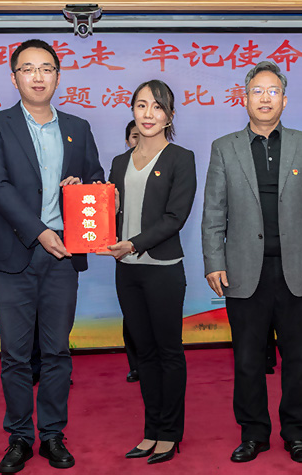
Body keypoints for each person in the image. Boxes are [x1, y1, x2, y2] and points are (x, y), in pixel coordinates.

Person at [0, 39, 104, 473]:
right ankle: (19, 436)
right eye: (28, 69)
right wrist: (39, 231)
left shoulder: (78, 127)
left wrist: (81, 187)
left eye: (46, 68)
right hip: (16, 253)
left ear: (57, 76)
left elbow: (96, 179)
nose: (38, 76)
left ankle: (52, 434)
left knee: (56, 352)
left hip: (63, 255)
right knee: (14, 354)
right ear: (14, 77)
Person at [201, 60, 302, 465]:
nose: (265, 98)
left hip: (297, 270)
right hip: (244, 271)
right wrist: (214, 261)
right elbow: (214, 211)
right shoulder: (224, 147)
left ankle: (296, 435)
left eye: (272, 91)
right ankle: (253, 434)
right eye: (257, 91)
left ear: (284, 100)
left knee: (298, 360)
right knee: (247, 360)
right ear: (244, 98)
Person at [100, 80, 196, 464]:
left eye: (157, 107)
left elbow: (175, 217)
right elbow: (110, 215)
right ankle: (151, 430)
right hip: (127, 271)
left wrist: (134, 243)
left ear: (170, 115)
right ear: (133, 111)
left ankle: (170, 434)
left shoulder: (181, 158)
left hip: (162, 270)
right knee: (144, 354)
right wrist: (97, 205)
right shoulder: (118, 163)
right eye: (141, 105)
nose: (149, 114)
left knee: (168, 352)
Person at [123, 119, 140, 384]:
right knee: (132, 318)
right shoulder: (120, 164)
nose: (138, 139)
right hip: (125, 255)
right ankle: (135, 365)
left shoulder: (175, 158)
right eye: (133, 136)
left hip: (159, 255)